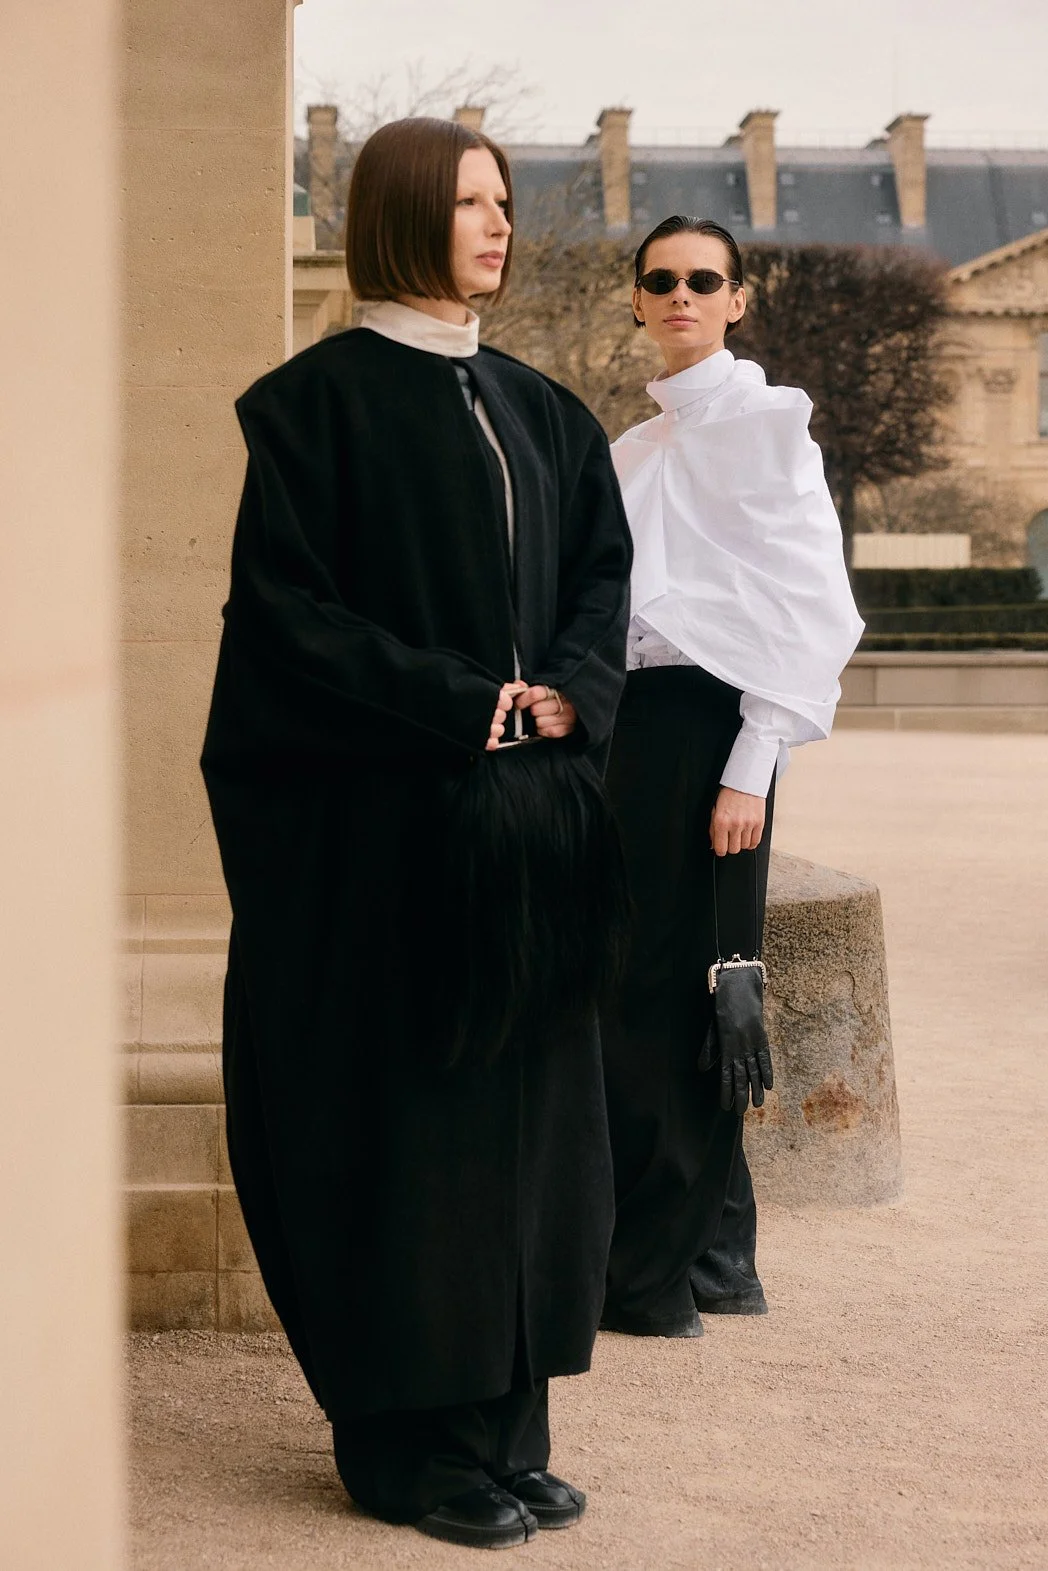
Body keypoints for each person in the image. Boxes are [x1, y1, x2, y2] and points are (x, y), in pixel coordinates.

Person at [200, 117, 633, 1549]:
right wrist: (468, 708)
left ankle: (508, 1427)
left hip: (529, 847)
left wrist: (568, 695)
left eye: (504, 200)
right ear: (398, 216)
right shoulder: (311, 411)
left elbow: (598, 583)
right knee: (419, 1143)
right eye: (466, 203)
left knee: (534, 1136)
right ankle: (406, 1448)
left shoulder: (546, 410)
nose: (497, 225)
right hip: (394, 847)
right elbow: (292, 624)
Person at [599, 216, 863, 1338]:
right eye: (660, 281)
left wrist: (750, 766)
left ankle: (659, 1279)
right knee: (649, 984)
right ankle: (717, 1256)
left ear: (738, 298)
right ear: (637, 300)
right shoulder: (633, 449)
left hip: (719, 730)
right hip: (632, 729)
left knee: (706, 990)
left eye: (703, 280)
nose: (680, 296)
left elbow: (810, 609)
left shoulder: (767, 425)